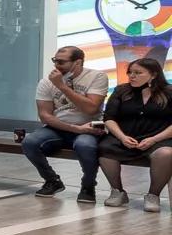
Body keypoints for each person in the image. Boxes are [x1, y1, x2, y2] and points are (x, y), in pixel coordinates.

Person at [22, 44, 106, 202]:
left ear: (78, 63)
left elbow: (90, 109)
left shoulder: (97, 77)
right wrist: (75, 129)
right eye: (55, 61)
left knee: (85, 146)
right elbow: (45, 116)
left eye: (61, 62)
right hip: (58, 128)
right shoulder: (46, 82)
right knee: (30, 141)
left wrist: (62, 86)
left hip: (89, 127)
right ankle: (52, 180)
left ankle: (88, 186)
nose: (56, 65)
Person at [97, 56, 172, 210]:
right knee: (104, 148)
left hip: (158, 137)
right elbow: (109, 118)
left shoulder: (169, 92)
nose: (132, 76)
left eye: (138, 73)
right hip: (125, 137)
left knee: (165, 153)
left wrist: (154, 139)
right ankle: (118, 191)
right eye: (130, 72)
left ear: (154, 74)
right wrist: (122, 137)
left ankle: (153, 195)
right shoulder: (121, 90)